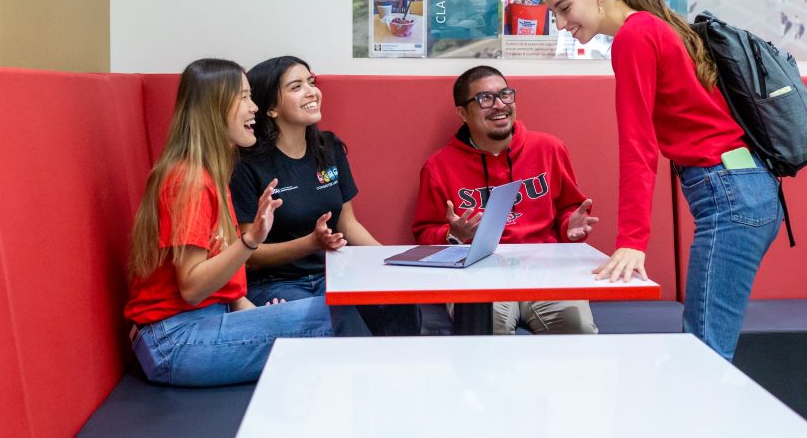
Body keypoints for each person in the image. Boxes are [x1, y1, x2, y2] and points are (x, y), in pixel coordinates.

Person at [544, 0, 783, 360]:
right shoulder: (656, 25)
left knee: (705, 355)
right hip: (746, 188)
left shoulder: (634, 37)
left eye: (565, 8)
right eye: (555, 14)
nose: (563, 24)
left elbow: (637, 144)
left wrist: (632, 241)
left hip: (728, 195)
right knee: (707, 349)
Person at [124, 59, 339, 387]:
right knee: (332, 317)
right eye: (243, 97)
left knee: (333, 313)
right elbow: (193, 288)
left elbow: (225, 286)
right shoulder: (190, 180)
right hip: (173, 339)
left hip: (206, 322)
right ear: (213, 108)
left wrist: (258, 315)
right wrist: (251, 239)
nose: (253, 107)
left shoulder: (213, 172)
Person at [230, 56, 421, 336]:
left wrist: (392, 261)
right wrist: (310, 243)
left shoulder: (328, 146)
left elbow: (348, 224)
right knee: (338, 323)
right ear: (270, 108)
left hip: (333, 273)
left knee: (399, 301)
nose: (311, 91)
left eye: (311, 82)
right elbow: (250, 256)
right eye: (296, 86)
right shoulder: (246, 164)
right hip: (276, 283)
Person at [411, 65, 599, 335]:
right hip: (476, 272)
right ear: (462, 113)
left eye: (505, 95)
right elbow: (423, 234)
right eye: (485, 99)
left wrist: (569, 226)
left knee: (577, 329)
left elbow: (568, 208)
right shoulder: (438, 167)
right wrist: (453, 234)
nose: (499, 105)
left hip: (544, 268)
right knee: (485, 333)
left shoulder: (549, 149)